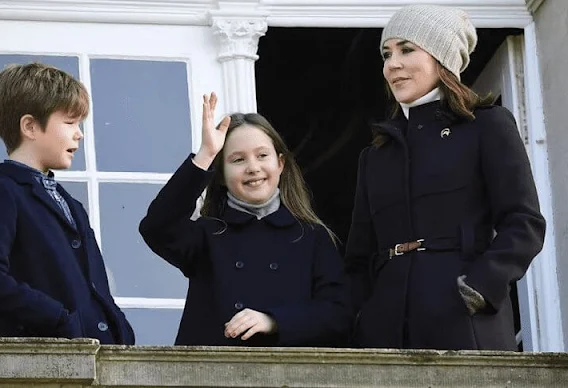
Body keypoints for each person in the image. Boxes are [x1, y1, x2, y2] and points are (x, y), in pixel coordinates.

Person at [345, 4, 545, 350]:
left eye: (407, 49)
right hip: (386, 330)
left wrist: (482, 286)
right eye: (386, 53)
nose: (392, 64)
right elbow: (358, 257)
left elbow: (523, 222)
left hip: (463, 321)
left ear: (442, 58)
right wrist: (364, 311)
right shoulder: (374, 156)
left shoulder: (487, 126)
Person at [139, 93, 351, 346]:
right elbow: (157, 227)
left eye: (262, 156)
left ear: (280, 164)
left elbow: (338, 314)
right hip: (212, 376)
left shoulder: (312, 236)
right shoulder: (207, 234)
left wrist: (274, 321)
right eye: (238, 160)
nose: (253, 167)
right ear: (221, 175)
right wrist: (205, 155)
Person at [0, 63, 135, 345]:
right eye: (69, 123)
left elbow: (95, 288)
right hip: (44, 363)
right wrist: (59, 318)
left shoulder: (72, 205)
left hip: (100, 360)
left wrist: (120, 329)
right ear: (30, 126)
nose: (79, 133)